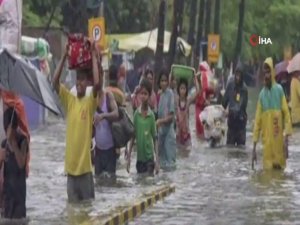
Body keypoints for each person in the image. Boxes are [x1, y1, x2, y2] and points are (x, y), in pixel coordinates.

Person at [52, 41, 101, 202]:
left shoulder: (89, 102)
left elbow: (98, 84)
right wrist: (65, 56)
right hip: (70, 173)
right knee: (72, 214)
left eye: (82, 80)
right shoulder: (70, 100)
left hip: (85, 171)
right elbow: (54, 82)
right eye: (77, 79)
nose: (79, 82)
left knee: (87, 211)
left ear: (87, 83)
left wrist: (93, 55)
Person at [252, 57, 292, 170]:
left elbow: (287, 115)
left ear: (272, 73)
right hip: (267, 149)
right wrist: (254, 148)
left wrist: (286, 140)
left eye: (268, 72)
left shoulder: (279, 90)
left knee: (279, 177)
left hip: (279, 146)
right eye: (265, 73)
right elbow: (257, 122)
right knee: (267, 178)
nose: (266, 75)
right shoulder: (261, 96)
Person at [0, 107, 29, 219]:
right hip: (7, 196)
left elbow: (21, 163)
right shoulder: (4, 144)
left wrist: (13, 143)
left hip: (19, 196)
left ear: (16, 127)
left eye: (11, 127)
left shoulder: (23, 141)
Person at [127, 79, 159, 176]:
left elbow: (155, 138)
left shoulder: (151, 116)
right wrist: (129, 156)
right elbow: (133, 136)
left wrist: (157, 160)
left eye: (145, 94)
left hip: (149, 159)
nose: (143, 96)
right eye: (141, 93)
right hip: (139, 160)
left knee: (149, 182)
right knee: (141, 184)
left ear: (149, 96)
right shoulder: (136, 114)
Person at [93, 72, 119, 178]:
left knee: (111, 183)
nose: (99, 81)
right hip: (97, 151)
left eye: (101, 78)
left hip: (110, 150)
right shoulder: (91, 98)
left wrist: (103, 116)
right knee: (98, 184)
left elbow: (116, 113)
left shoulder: (109, 96)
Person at [222, 63, 248, 146]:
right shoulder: (230, 85)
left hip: (240, 124)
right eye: (237, 75)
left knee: (241, 148)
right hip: (231, 123)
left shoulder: (244, 89)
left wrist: (230, 112)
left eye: (240, 75)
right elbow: (224, 102)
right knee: (230, 148)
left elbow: (241, 106)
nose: (238, 77)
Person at [157, 70, 176, 170]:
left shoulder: (170, 94)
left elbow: (171, 116)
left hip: (169, 135)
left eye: (165, 80)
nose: (163, 83)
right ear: (159, 82)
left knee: (171, 165)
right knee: (162, 165)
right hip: (161, 135)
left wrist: (160, 121)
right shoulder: (161, 96)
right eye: (161, 81)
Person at [175, 77, 199, 150]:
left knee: (187, 151)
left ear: (186, 90)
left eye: (184, 89)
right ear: (178, 89)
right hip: (178, 133)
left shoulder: (188, 101)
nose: (182, 91)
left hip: (186, 132)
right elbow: (169, 88)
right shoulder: (176, 100)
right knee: (179, 152)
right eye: (181, 88)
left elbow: (198, 91)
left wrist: (196, 80)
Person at [195, 62, 215, 138]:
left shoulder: (203, 77)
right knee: (202, 127)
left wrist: (207, 100)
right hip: (200, 106)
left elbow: (209, 92)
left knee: (202, 128)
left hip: (203, 107)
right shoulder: (199, 77)